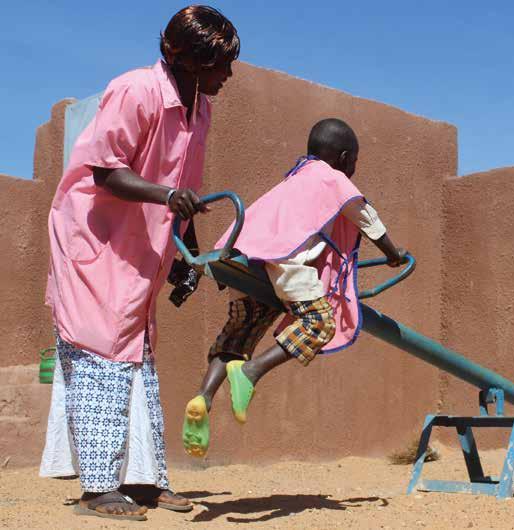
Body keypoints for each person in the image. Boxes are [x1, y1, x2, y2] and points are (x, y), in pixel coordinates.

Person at [44, 5, 239, 521]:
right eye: (220, 64)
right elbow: (106, 174)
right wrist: (169, 196)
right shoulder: (136, 91)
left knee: (138, 359)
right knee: (99, 356)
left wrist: (186, 253)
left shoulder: (200, 110)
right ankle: (97, 489)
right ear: (190, 60)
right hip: (95, 240)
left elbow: (186, 192)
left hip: (143, 248)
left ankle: (144, 481)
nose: (228, 75)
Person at [181, 118, 408, 457]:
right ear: (345, 158)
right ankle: (251, 372)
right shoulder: (335, 180)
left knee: (239, 333)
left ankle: (203, 397)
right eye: (355, 161)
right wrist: (393, 254)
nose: (354, 168)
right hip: (283, 258)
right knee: (319, 324)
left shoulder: (295, 176)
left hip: (242, 258)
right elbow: (367, 219)